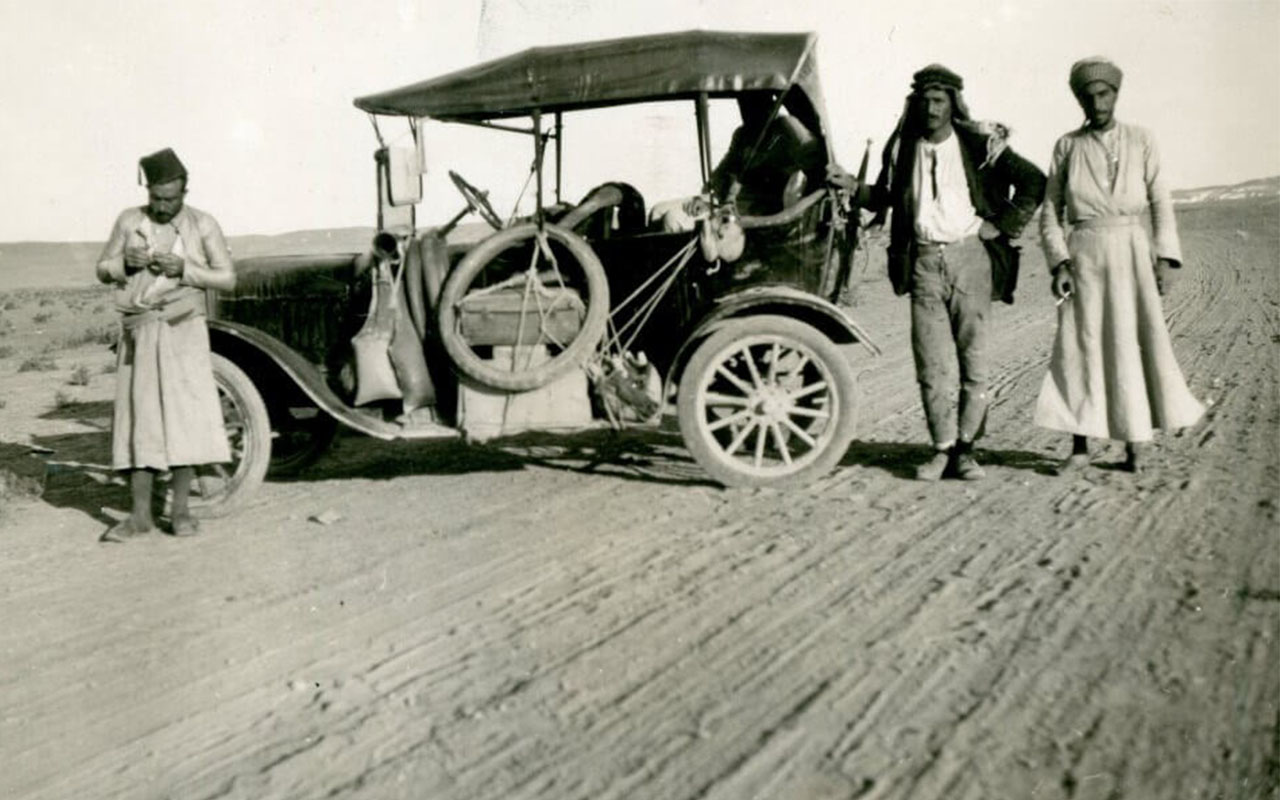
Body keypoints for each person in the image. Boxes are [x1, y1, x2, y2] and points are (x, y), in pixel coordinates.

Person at [855, 64, 1045, 480]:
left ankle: (967, 450)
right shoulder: (903, 149)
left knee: (974, 359)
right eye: (924, 100)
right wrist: (852, 187)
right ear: (914, 104)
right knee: (932, 363)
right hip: (923, 262)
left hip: (970, 260)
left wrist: (1005, 225)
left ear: (953, 104)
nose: (930, 108)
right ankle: (941, 449)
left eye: (939, 100)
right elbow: (885, 198)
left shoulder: (980, 145)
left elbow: (1034, 180)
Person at [1035, 58, 1204, 473]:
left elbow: (1160, 200)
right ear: (1079, 99)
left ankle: (1134, 445)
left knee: (1131, 343)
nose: (1097, 103)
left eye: (1104, 94)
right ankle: (1079, 447)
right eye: (1089, 96)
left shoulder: (1142, 140)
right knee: (1080, 345)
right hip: (1085, 253)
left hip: (1131, 251)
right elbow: (1050, 212)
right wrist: (1060, 262)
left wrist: (1165, 257)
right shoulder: (1067, 146)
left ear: (1116, 94)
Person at [96, 148, 237, 541]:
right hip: (139, 330)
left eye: (170, 199)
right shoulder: (129, 221)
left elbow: (227, 278)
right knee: (141, 419)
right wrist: (125, 262)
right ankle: (140, 516)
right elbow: (102, 269)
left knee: (183, 419)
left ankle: (179, 512)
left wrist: (186, 270)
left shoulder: (203, 225)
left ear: (184, 192)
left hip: (183, 330)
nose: (161, 207)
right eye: (156, 198)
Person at [709, 92, 825, 216]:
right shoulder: (743, 135)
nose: (746, 111)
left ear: (769, 105)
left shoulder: (788, 129)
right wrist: (710, 193)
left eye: (753, 104)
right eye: (743, 104)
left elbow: (816, 166)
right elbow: (724, 171)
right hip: (743, 214)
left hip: (778, 216)